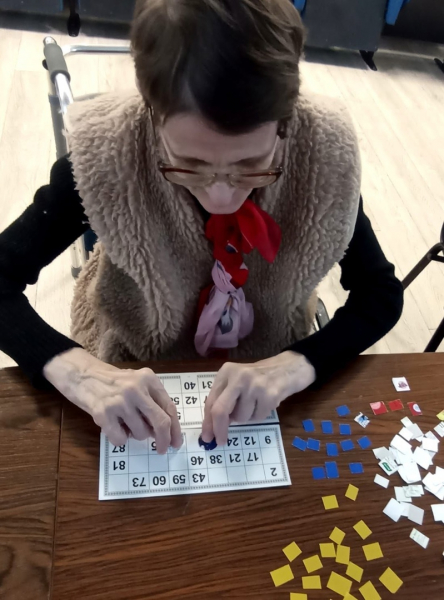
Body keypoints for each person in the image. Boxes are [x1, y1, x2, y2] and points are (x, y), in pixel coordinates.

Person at [0, 0, 403, 453]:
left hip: (269, 361)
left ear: (286, 123)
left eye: (252, 165)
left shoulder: (323, 154)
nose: (222, 197)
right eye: (188, 164)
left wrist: (297, 365)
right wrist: (80, 374)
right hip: (136, 362)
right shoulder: (108, 153)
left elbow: (380, 293)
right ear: (151, 113)